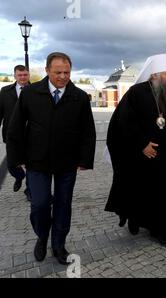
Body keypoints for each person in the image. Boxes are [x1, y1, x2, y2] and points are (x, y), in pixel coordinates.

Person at [6, 52, 96, 265]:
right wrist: (16, 158)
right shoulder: (30, 93)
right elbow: (15, 127)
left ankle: (58, 244)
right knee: (40, 204)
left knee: (64, 205)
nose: (63, 76)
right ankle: (42, 235)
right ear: (47, 71)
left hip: (67, 162)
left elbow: (88, 131)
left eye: (67, 72)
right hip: (36, 161)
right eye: (58, 72)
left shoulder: (80, 97)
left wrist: (84, 159)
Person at [105, 53, 166, 247]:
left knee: (165, 190)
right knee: (140, 190)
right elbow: (124, 122)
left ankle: (162, 229)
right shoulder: (137, 93)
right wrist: (141, 145)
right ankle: (134, 218)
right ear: (154, 75)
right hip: (143, 155)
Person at [0, 65, 31, 200]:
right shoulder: (5, 91)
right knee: (12, 164)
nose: (23, 78)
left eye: (25, 75)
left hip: (31, 134)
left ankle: (30, 190)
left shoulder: (36, 90)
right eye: (20, 75)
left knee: (32, 165)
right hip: (11, 134)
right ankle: (19, 176)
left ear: (28, 75)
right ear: (15, 76)